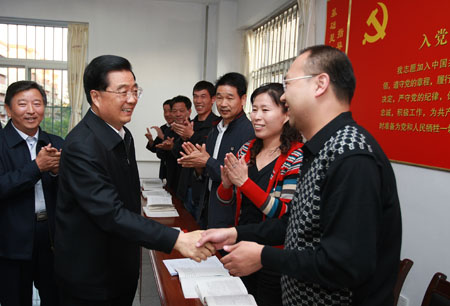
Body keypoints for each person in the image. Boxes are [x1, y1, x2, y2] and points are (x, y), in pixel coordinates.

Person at [197, 45, 402, 306]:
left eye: (288, 84)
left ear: (320, 84)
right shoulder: (320, 149)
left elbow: (347, 264)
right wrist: (235, 233)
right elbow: (291, 225)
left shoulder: (351, 155)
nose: (283, 98)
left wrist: (263, 257)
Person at [54, 55, 214, 306]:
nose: (132, 99)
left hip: (120, 265)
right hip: (92, 276)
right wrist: (177, 239)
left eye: (134, 90)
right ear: (96, 96)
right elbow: (111, 214)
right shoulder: (81, 146)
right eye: (122, 92)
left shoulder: (122, 133)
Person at [216, 83, 303, 306]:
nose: (256, 117)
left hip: (272, 255)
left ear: (286, 115)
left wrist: (244, 183)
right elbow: (227, 200)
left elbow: (283, 212)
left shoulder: (296, 157)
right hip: (241, 246)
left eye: (265, 110)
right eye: (254, 109)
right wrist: (226, 184)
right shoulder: (246, 149)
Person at [0, 81, 63, 306]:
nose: (30, 110)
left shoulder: (55, 143)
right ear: (8, 109)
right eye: (22, 104)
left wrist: (57, 172)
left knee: (55, 297)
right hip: (11, 240)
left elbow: (74, 192)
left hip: (51, 237)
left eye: (37, 103)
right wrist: (37, 167)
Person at [177, 72, 255, 229]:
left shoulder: (249, 133)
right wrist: (198, 166)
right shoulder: (216, 129)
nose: (223, 104)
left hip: (229, 213)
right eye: (219, 98)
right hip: (206, 207)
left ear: (243, 99)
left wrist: (206, 161)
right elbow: (207, 173)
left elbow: (237, 178)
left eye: (230, 98)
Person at [173, 81, 219, 220]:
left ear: (213, 99)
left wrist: (191, 136)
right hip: (184, 186)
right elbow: (176, 155)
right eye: (195, 96)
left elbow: (209, 153)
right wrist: (182, 138)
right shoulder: (189, 123)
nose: (198, 101)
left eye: (203, 96)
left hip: (203, 189)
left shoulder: (217, 125)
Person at [145, 99, 174, 182]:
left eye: (170, 111)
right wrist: (151, 140)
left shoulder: (180, 128)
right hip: (164, 169)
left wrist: (163, 137)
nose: (167, 114)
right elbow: (155, 148)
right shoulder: (163, 128)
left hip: (175, 171)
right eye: (165, 111)